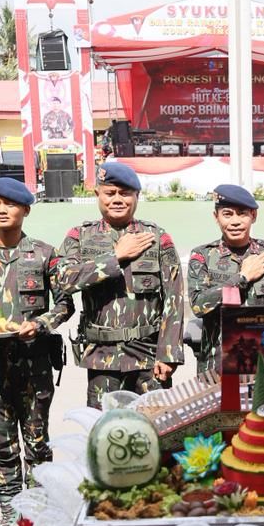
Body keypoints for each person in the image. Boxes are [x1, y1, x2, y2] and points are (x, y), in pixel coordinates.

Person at [0, 178, 73, 526]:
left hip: (34, 366)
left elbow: (64, 304)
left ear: (25, 209)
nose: (2, 210)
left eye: (10, 204)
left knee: (37, 445)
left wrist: (40, 324)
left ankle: (39, 512)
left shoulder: (44, 254)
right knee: (2, 446)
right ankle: (10, 513)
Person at [58, 163, 184, 408]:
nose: (117, 199)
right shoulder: (79, 237)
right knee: (106, 427)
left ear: (137, 195)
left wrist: (169, 354)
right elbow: (64, 280)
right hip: (101, 358)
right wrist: (115, 258)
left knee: (154, 425)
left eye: (125, 193)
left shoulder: (157, 238)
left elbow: (174, 298)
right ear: (98, 194)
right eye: (110, 193)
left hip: (148, 356)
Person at [188, 184, 264, 375]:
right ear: (216, 217)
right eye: (227, 214)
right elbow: (198, 306)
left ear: (254, 216)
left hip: (263, 364)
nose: (235, 221)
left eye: (242, 213)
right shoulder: (202, 256)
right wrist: (242, 278)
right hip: (217, 365)